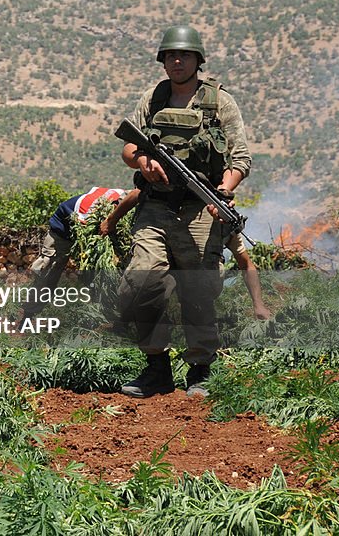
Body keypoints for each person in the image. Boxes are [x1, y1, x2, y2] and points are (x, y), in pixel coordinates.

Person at [114, 25, 251, 398]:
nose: (176, 61)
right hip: (155, 205)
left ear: (197, 60)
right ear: (163, 61)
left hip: (200, 207)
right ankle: (156, 367)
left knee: (199, 289)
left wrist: (224, 189)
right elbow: (128, 146)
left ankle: (200, 370)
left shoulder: (219, 102)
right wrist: (142, 161)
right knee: (142, 281)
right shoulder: (153, 98)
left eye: (184, 55)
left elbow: (239, 159)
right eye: (170, 55)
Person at [104, 189, 270, 321]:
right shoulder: (177, 208)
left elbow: (246, 265)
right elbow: (137, 194)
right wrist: (111, 222)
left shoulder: (225, 225)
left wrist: (258, 304)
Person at [20, 187, 127, 318]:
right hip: (62, 230)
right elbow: (87, 236)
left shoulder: (123, 196)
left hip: (86, 225)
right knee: (49, 270)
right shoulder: (88, 212)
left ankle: (100, 313)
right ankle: (30, 312)